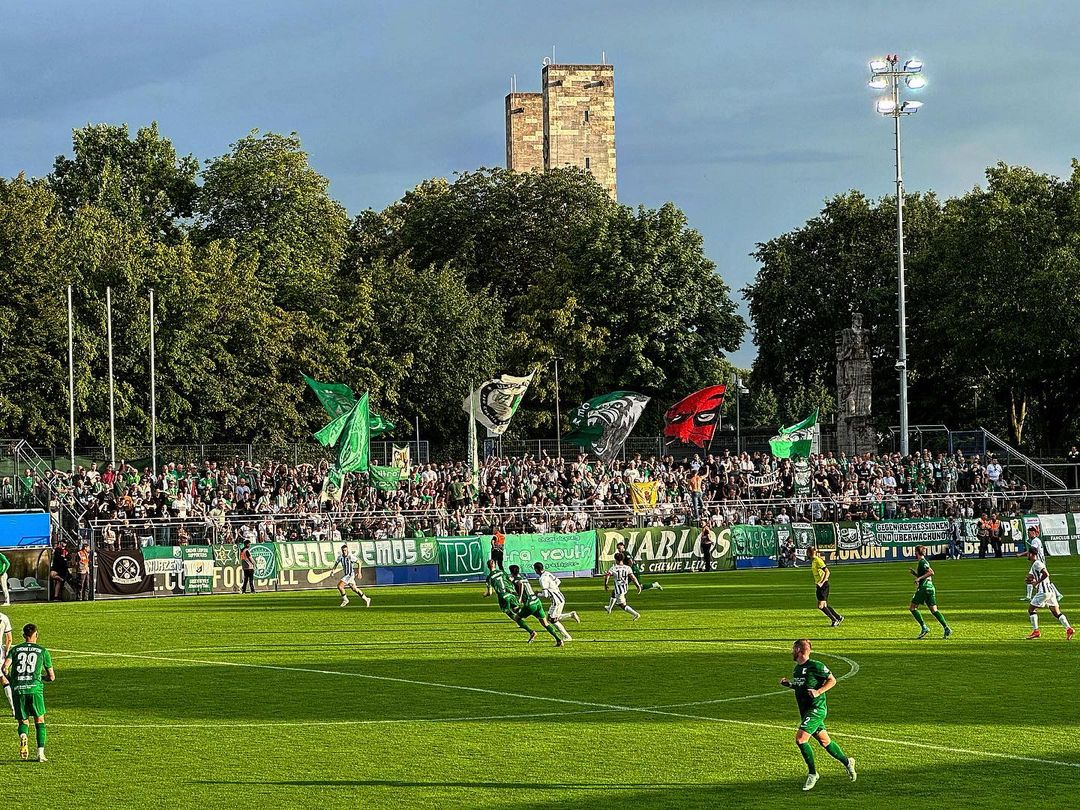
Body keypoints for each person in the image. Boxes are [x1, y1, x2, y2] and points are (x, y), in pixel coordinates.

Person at [779, 639, 856, 791]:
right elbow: (801, 686)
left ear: (799, 650)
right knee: (825, 742)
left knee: (801, 739)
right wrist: (790, 684)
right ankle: (848, 762)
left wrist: (818, 691)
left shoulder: (816, 666)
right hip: (805, 710)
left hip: (816, 709)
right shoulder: (797, 669)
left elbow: (832, 680)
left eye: (793, 649)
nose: (791, 652)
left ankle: (813, 773)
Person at [6, 623, 54, 762]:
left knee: (23, 721)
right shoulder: (42, 651)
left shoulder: (15, 650)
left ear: (23, 636)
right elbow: (51, 676)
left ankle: (23, 736)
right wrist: (41, 678)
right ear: (36, 635)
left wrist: (12, 680)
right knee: (39, 720)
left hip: (18, 689)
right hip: (35, 689)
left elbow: (4, 668)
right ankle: (40, 753)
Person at [508, 565, 564, 647]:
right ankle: (559, 640)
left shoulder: (516, 580)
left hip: (529, 604)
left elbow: (520, 584)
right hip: (537, 602)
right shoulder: (523, 578)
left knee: (517, 618)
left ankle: (531, 632)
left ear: (511, 572)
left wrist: (519, 598)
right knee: (545, 623)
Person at [1025, 549, 1073, 640]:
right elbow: (1032, 576)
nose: (1027, 555)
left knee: (1031, 610)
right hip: (1050, 592)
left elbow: (1046, 574)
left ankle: (1036, 631)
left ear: (1031, 554)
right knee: (1056, 613)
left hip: (1044, 591)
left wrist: (1037, 582)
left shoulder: (1037, 563)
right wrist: (1031, 580)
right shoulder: (1035, 564)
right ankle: (1069, 629)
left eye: (1028, 553)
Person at [483, 559, 535, 641]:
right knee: (517, 610)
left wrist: (484, 595)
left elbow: (489, 593)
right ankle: (533, 611)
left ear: (488, 567)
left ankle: (530, 631)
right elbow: (509, 580)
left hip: (503, 596)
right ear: (495, 565)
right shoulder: (502, 572)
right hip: (511, 594)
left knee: (511, 614)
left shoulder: (489, 577)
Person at [908, 546, 952, 639]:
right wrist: (915, 574)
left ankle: (924, 627)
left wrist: (918, 578)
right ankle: (946, 627)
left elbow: (931, 572)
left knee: (912, 608)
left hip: (924, 588)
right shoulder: (923, 562)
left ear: (917, 552)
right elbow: (925, 575)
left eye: (915, 551)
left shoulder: (923, 562)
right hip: (931, 588)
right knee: (934, 610)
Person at [533, 562, 579, 640]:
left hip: (556, 600)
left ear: (537, 570)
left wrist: (538, 594)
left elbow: (545, 594)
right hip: (560, 596)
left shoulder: (542, 579)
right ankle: (571, 615)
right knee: (551, 618)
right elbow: (558, 581)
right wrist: (553, 588)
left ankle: (567, 636)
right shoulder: (547, 573)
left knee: (552, 620)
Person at [1018, 527, 1063, 602]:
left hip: (1038, 563)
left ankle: (1029, 596)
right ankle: (1058, 594)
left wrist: (1020, 554)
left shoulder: (1035, 541)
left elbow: (1032, 551)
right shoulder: (1036, 540)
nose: (1028, 535)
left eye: (1029, 533)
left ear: (1033, 532)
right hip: (1039, 562)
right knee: (1043, 579)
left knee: (1031, 577)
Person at [808, 547, 843, 627]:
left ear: (809, 553)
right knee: (824, 605)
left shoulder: (818, 560)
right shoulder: (814, 561)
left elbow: (827, 572)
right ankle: (838, 617)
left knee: (820, 606)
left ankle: (834, 620)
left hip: (823, 585)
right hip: (819, 585)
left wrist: (821, 582)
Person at [603, 552, 642, 619]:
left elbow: (607, 576)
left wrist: (606, 584)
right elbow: (633, 577)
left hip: (619, 590)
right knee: (613, 592)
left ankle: (635, 614)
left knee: (622, 605)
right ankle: (609, 607)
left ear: (616, 560)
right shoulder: (628, 568)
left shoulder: (613, 568)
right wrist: (638, 586)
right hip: (625, 588)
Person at [331, 543, 371, 608]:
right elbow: (336, 564)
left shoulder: (350, 557)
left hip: (350, 575)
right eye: (343, 550)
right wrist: (333, 571)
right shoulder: (340, 557)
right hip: (347, 575)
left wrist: (359, 572)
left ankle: (345, 600)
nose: (344, 552)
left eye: (345, 550)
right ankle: (366, 599)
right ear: (341, 550)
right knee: (354, 589)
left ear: (347, 550)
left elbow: (359, 562)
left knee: (340, 586)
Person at [0, 609, 12, 716]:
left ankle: (14, 708)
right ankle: (14, 708)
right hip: (0, 653)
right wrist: (7, 653)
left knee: (3, 679)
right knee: (3, 678)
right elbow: (9, 639)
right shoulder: (4, 618)